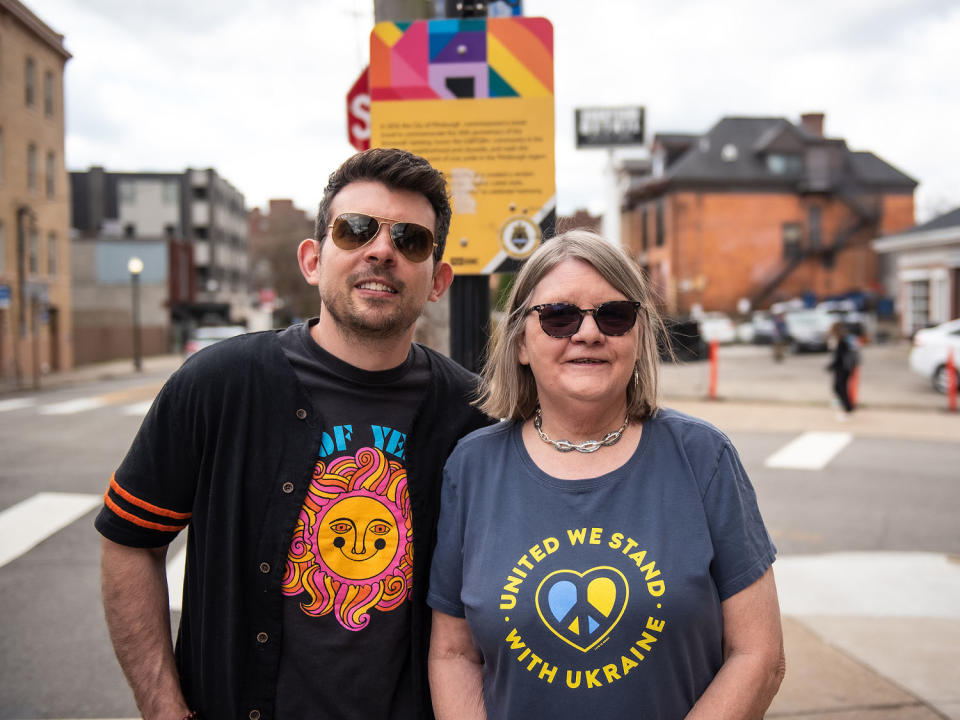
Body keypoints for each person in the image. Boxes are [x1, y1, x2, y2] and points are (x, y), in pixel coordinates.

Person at [95, 148, 492, 720]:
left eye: (411, 240)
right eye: (356, 230)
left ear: (438, 280)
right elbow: (130, 542)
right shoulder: (219, 384)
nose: (382, 250)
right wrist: (162, 707)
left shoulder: (471, 415)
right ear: (313, 259)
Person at [427, 230, 785, 720]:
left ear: (638, 337)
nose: (589, 333)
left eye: (614, 315)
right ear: (520, 345)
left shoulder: (703, 457)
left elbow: (759, 656)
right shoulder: (471, 468)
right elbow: (453, 653)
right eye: (559, 317)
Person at [827, 321, 859, 418]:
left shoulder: (842, 340)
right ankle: (847, 407)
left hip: (843, 368)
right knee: (840, 388)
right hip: (844, 367)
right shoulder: (843, 339)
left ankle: (848, 408)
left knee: (839, 388)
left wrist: (831, 365)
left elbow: (839, 356)